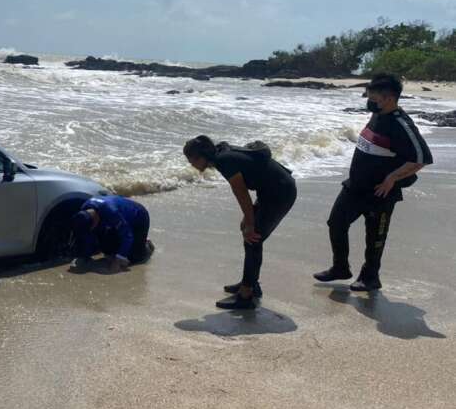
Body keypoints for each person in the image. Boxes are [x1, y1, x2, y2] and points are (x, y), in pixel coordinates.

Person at [314, 73, 433, 291]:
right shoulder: (377, 113)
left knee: (375, 237)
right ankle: (340, 267)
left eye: (373, 97)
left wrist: (392, 178)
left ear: (388, 98)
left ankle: (370, 277)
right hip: (355, 186)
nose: (369, 101)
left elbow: (422, 158)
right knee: (336, 223)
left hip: (380, 193)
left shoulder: (400, 124)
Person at [183, 136, 297, 310]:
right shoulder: (220, 153)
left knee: (253, 238)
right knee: (250, 236)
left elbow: (241, 192)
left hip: (281, 192)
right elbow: (255, 180)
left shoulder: (224, 161)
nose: (192, 166)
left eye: (192, 161)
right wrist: (248, 218)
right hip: (271, 190)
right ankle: (250, 283)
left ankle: (245, 296)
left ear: (201, 156)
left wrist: (250, 221)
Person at [71, 195, 153, 273]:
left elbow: (127, 236)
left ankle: (146, 245)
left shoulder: (112, 212)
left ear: (95, 220)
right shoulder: (84, 209)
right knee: (108, 250)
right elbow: (86, 237)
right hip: (118, 218)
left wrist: (118, 260)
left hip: (138, 217)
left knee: (134, 258)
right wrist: (84, 256)